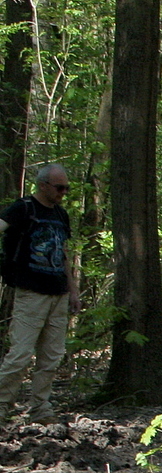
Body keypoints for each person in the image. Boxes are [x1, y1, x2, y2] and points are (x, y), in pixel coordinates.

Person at [0, 164, 80, 422]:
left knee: (52, 356)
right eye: (59, 188)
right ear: (43, 185)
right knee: (21, 354)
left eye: (66, 188)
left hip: (58, 293)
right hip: (30, 292)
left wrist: (73, 290)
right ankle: (1, 405)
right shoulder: (23, 208)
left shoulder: (61, 214)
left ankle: (40, 408)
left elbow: (63, 254)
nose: (63, 193)